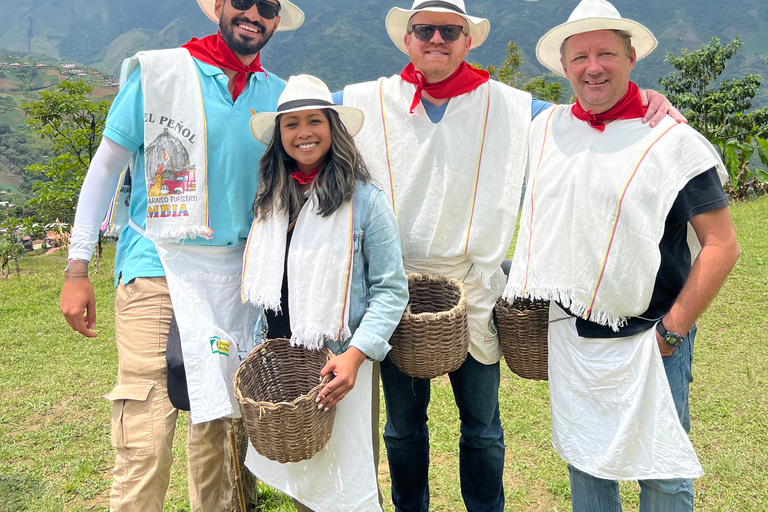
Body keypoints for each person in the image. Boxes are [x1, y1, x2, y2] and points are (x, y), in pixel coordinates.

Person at [335, 1, 682, 511]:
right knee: (403, 429)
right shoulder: (368, 101)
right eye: (424, 29)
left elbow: (583, 118)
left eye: (450, 30)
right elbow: (301, 112)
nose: (437, 39)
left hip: (475, 286)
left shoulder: (508, 106)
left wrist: (642, 100)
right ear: (406, 39)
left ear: (467, 40)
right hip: (399, 294)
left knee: (483, 426)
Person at [57, 0, 305, 510]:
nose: (253, 13)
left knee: (217, 428)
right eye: (241, 1)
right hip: (157, 266)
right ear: (218, 7)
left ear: (277, 20)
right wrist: (77, 266)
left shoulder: (279, 98)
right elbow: (106, 167)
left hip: (237, 282)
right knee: (147, 430)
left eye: (268, 6)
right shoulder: (161, 74)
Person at [503, 0, 740, 510]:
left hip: (652, 336)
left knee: (662, 471)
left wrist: (672, 332)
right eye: (580, 57)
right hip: (573, 334)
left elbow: (723, 245)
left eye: (606, 53)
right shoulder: (547, 129)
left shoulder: (672, 142)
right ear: (564, 68)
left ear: (631, 58)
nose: (593, 67)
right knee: (586, 463)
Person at [239, 74, 408, 512]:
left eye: (314, 120)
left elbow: (391, 290)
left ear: (333, 129)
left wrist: (355, 356)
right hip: (284, 358)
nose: (303, 133)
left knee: (348, 474)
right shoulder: (271, 198)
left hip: (338, 360)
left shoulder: (366, 201)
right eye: (291, 124)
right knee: (305, 476)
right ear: (280, 136)